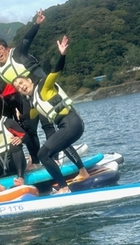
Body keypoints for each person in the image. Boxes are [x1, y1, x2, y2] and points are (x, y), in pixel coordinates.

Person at [12, 36, 90, 194]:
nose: (21, 87)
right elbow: (31, 114)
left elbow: (55, 72)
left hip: (71, 122)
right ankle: (83, 172)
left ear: (29, 80)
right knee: (59, 143)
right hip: (68, 125)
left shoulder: (44, 86)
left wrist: (62, 55)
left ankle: (63, 187)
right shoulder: (34, 99)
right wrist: (19, 114)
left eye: (22, 83)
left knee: (43, 153)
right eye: (18, 87)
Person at [0, 9, 56, 170]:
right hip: (25, 98)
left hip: (39, 91)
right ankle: (35, 161)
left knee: (47, 125)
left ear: (7, 49)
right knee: (29, 129)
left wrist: (37, 24)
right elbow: (0, 86)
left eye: (1, 49)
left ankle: (54, 157)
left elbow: (27, 40)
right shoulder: (0, 68)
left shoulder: (17, 54)